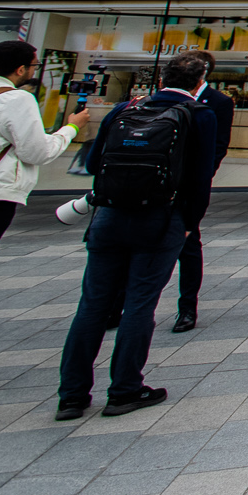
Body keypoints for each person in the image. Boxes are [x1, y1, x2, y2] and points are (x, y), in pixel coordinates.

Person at [56, 52, 217, 419]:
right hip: (160, 220)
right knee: (140, 304)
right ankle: (125, 389)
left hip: (109, 217)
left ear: (162, 79)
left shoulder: (125, 110)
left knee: (92, 306)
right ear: (199, 81)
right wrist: (190, 223)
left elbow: (94, 164)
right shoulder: (199, 116)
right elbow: (199, 178)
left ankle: (72, 395)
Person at [0, 41, 86, 386]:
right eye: (34, 66)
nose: (35, 72)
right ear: (20, 70)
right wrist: (71, 128)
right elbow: (37, 152)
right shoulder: (17, 99)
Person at [171, 50, 235, 333]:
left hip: (187, 188)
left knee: (188, 247)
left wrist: (202, 177)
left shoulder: (217, 104)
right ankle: (119, 305)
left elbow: (218, 146)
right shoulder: (152, 102)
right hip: (152, 187)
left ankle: (187, 308)